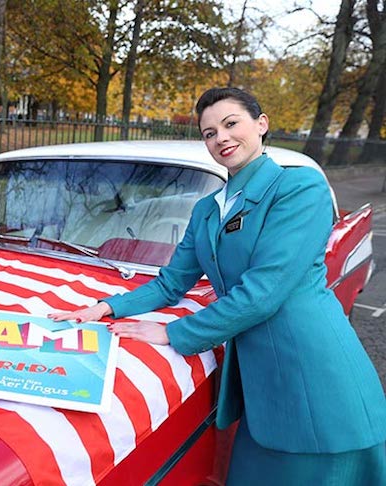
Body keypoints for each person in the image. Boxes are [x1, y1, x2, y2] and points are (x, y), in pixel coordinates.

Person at [50, 87, 386, 484]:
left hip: (313, 370)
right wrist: (107, 307)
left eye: (230, 124)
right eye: (209, 133)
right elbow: (172, 282)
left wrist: (174, 333)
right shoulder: (208, 209)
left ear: (261, 125)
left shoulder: (299, 188)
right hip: (261, 390)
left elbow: (265, 289)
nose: (221, 138)